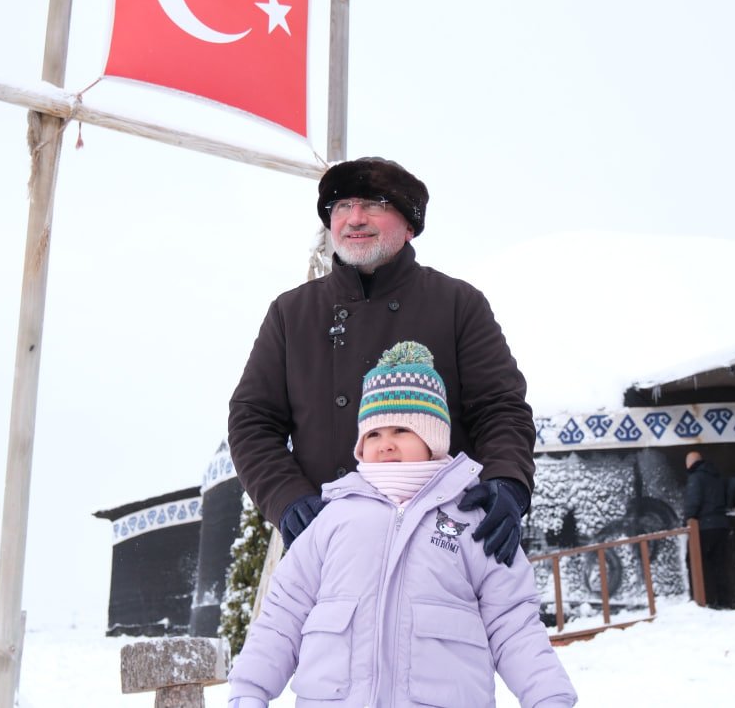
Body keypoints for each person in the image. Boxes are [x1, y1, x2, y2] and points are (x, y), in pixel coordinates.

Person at [227, 342, 577, 708]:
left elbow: (514, 625)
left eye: (401, 430)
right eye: (373, 434)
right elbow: (282, 615)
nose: (386, 444)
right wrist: (249, 691)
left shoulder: (472, 519)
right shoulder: (333, 519)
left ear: (433, 439)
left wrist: (548, 697)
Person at [228, 157, 536, 565]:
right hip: (327, 543)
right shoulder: (291, 312)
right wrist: (288, 499)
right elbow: (252, 421)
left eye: (373, 204)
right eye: (341, 207)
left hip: (445, 541)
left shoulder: (458, 303)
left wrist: (507, 481)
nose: (354, 218)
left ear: (409, 224)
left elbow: (500, 408)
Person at [683, 450, 733, 608]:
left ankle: (702, 600)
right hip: (721, 525)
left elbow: (694, 501)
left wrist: (687, 518)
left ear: (690, 463)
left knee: (697, 562)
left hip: (705, 526)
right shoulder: (716, 476)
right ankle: (724, 601)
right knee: (720, 565)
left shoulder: (695, 477)